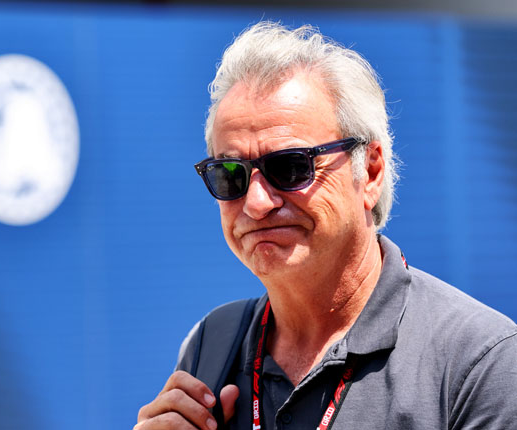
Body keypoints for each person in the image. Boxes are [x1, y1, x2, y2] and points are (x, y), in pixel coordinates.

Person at [135, 21, 517, 430]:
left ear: (370, 172)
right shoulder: (212, 345)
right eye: (230, 174)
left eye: (290, 167)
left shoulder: (480, 361)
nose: (257, 203)